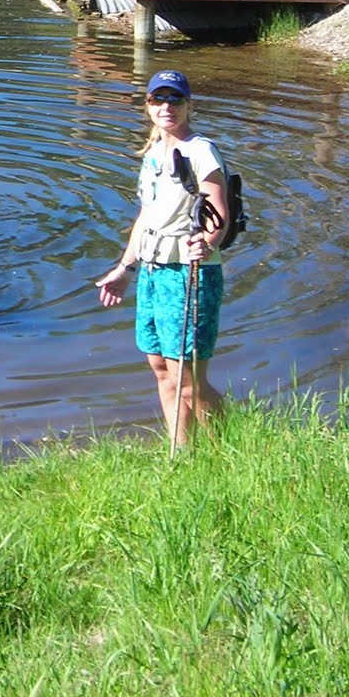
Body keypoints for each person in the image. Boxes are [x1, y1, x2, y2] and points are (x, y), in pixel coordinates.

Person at [95, 69, 229, 448]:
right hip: (152, 273)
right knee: (161, 369)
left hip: (189, 274)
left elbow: (219, 213)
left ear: (189, 105)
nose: (167, 107)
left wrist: (207, 241)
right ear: (148, 106)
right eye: (159, 99)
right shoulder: (153, 154)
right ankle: (180, 454)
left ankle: (231, 450)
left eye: (175, 99)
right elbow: (146, 217)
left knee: (187, 378)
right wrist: (126, 268)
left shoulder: (200, 151)